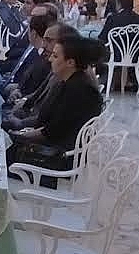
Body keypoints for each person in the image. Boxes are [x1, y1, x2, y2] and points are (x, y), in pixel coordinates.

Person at [6, 35, 105, 188]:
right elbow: (46, 124)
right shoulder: (69, 82)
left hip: (58, 160)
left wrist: (17, 135)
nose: (50, 59)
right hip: (54, 148)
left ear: (70, 62)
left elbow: (51, 132)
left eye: (55, 56)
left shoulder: (79, 91)